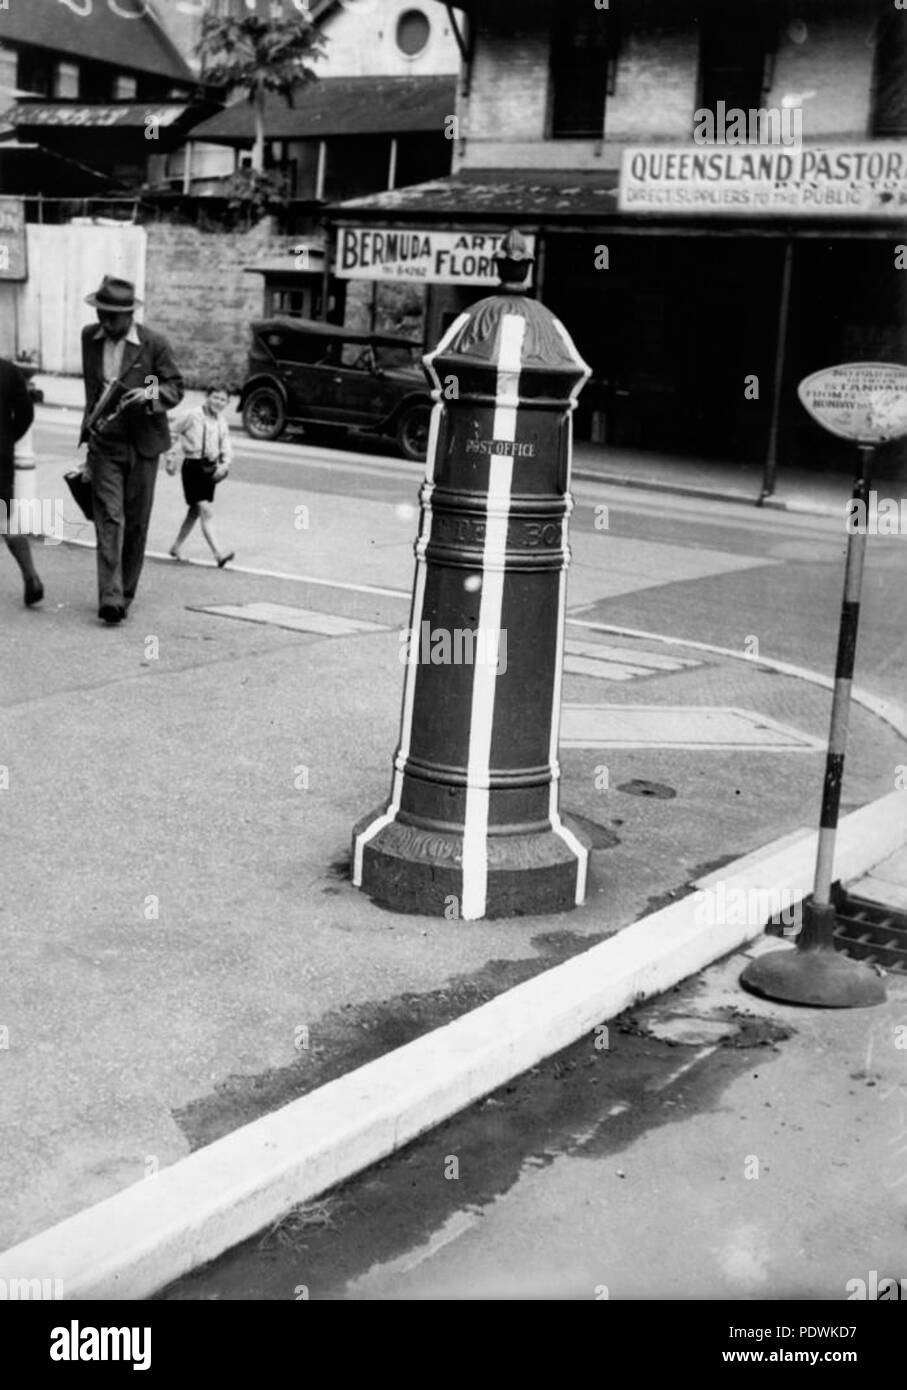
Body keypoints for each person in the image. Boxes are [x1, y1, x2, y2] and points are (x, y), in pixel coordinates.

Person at [80, 275, 184, 624]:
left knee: (136, 523)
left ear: (129, 315)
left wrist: (149, 394)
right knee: (110, 518)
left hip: (143, 444)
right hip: (105, 443)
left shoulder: (153, 344)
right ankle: (109, 597)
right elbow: (92, 392)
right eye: (100, 314)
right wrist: (89, 440)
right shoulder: (89, 339)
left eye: (112, 317)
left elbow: (173, 385)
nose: (104, 322)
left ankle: (124, 593)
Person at [166, 384, 235, 567]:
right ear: (207, 397)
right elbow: (173, 431)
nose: (218, 402)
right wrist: (170, 455)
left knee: (195, 511)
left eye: (222, 399)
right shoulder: (193, 414)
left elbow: (226, 445)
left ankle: (176, 546)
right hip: (193, 467)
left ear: (227, 402)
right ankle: (219, 554)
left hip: (210, 469)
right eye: (215, 397)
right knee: (206, 510)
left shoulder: (221, 421)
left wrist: (225, 464)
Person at [0, 356, 43, 607]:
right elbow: (26, 412)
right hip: (1, 458)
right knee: (5, 520)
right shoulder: (9, 370)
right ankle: (31, 576)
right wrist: (7, 438)